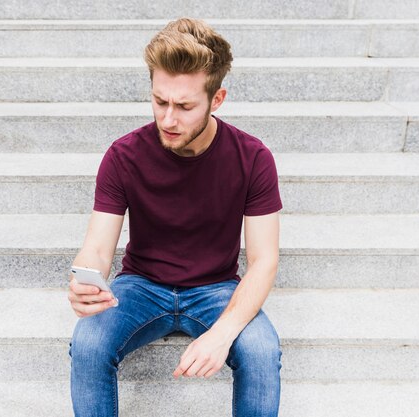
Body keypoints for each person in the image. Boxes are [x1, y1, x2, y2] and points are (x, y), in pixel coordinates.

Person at [67, 17, 283, 417]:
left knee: (261, 349)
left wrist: (222, 335)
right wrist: (85, 279)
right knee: (88, 343)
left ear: (217, 99)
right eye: (159, 101)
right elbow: (97, 247)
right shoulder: (124, 155)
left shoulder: (253, 158)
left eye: (184, 106)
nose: (168, 119)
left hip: (216, 288)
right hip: (139, 286)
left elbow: (264, 261)